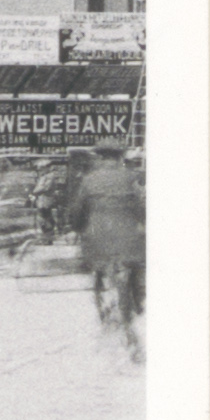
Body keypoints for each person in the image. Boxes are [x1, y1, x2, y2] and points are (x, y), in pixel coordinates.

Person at [70, 140, 145, 331]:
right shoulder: (130, 177)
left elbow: (78, 210)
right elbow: (141, 208)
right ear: (120, 157)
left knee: (97, 265)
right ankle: (137, 303)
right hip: (127, 237)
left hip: (97, 237)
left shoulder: (89, 180)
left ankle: (101, 297)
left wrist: (77, 227)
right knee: (136, 266)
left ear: (100, 157)